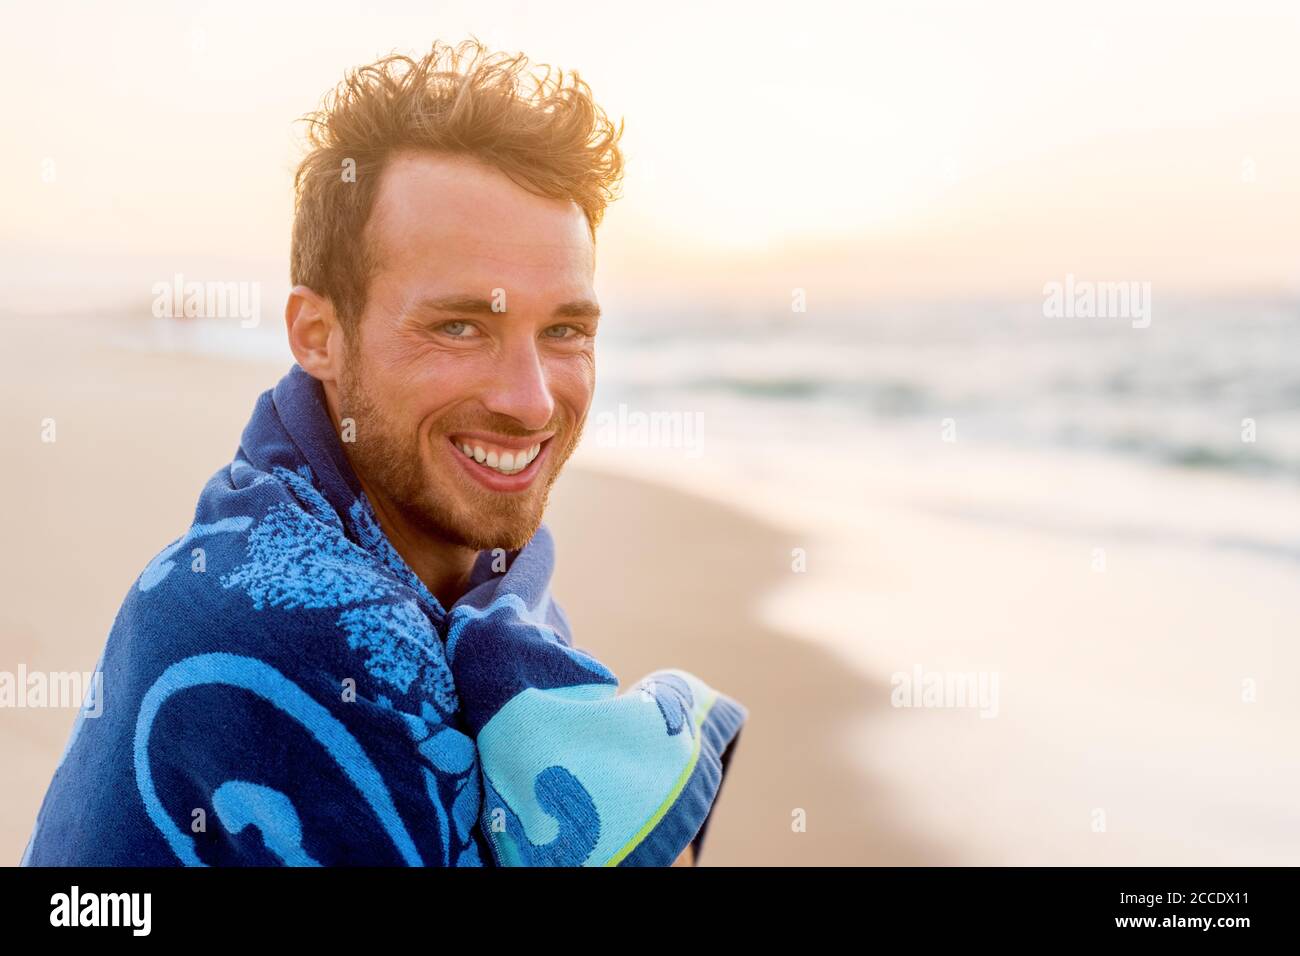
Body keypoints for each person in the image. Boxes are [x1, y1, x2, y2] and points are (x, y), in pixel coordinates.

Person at [21, 39, 745, 867]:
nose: (531, 399)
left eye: (566, 331)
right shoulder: (283, 626)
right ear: (317, 335)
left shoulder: (478, 590)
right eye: (460, 326)